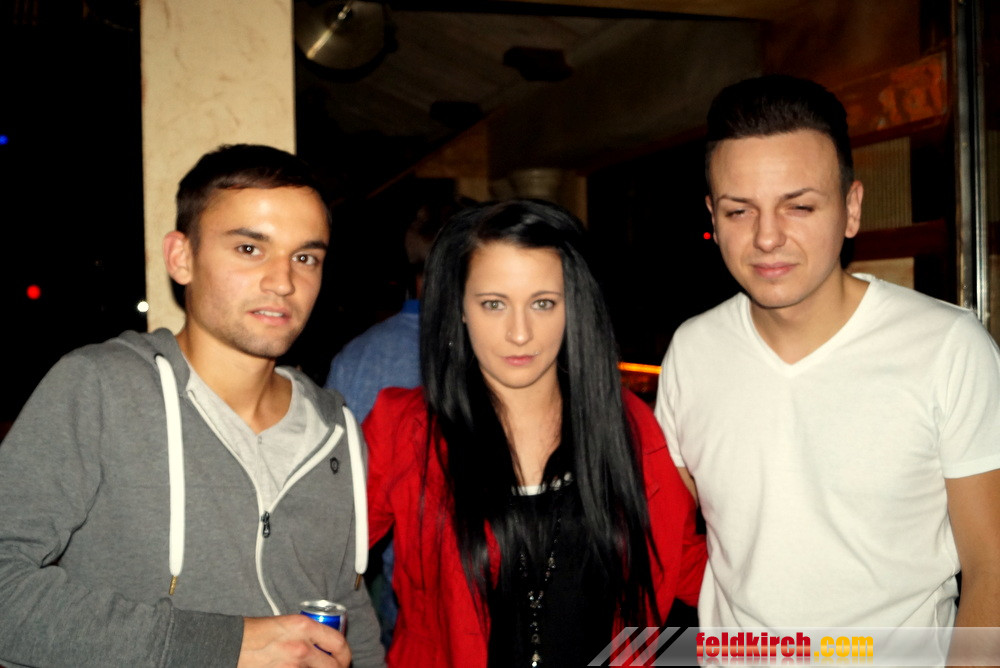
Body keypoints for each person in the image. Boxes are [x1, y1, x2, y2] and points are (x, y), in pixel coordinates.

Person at [0, 144, 385, 668]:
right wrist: (220, 645)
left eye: (305, 257)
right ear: (181, 257)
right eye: (249, 248)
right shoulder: (101, 389)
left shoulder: (335, 428)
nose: (283, 281)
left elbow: (349, 612)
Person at [655, 74, 1000, 629]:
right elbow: (657, 535)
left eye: (798, 207)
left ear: (851, 208)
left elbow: (992, 569)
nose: (767, 237)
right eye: (739, 211)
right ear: (713, 218)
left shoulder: (947, 348)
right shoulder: (692, 352)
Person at [364, 199, 706, 667]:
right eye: (493, 304)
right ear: (459, 307)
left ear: (572, 306)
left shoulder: (626, 425)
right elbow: (320, 560)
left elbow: (692, 573)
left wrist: (798, 647)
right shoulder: (406, 430)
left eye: (543, 303)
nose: (520, 333)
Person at [325, 195, 472, 648]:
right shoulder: (500, 356)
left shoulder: (357, 357)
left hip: (398, 608)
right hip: (422, 615)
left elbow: (335, 499)